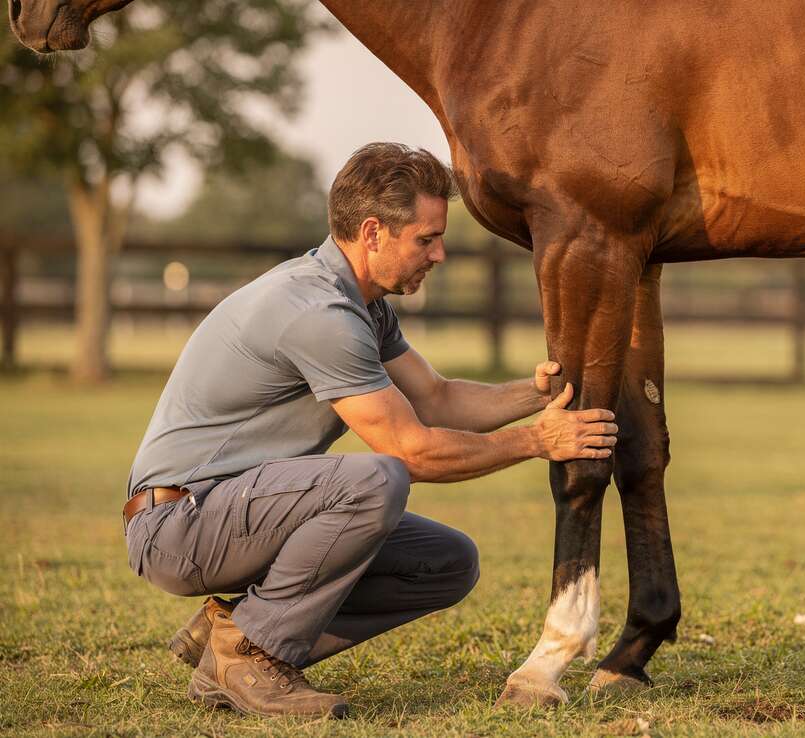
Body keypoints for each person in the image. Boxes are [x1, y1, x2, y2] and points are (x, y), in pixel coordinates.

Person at [123, 142, 618, 718]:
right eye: (426, 239)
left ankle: (232, 632)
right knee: (376, 478)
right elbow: (414, 451)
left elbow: (436, 399)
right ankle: (250, 655)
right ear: (374, 232)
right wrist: (537, 441)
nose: (439, 256)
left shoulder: (361, 304)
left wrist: (539, 393)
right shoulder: (320, 314)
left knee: (447, 561)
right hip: (179, 525)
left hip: (232, 513)